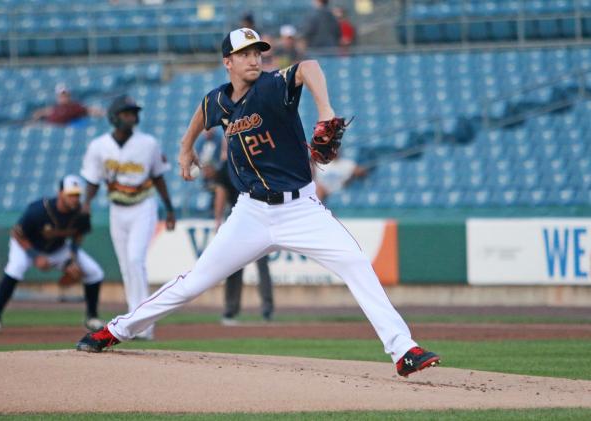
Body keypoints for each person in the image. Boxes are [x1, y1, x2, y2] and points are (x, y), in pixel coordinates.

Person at [76, 27, 440, 378]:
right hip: (250, 212)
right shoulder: (219, 99)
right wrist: (185, 148)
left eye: (256, 52)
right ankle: (114, 331)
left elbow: (309, 66)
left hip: (300, 208)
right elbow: (203, 111)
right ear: (227, 63)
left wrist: (325, 110)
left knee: (356, 262)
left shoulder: (272, 86)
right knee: (194, 282)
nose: (253, 59)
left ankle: (403, 349)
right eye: (244, 54)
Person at [80, 95, 176, 340]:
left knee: (135, 261)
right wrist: (86, 203)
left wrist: (169, 208)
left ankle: (145, 325)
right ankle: (135, 320)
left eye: (133, 113)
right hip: (117, 209)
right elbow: (92, 180)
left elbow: (158, 177)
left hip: (143, 206)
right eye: (126, 113)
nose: (131, 117)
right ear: (114, 116)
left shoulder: (148, 144)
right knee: (126, 266)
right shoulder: (99, 146)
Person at [0, 175, 104, 334]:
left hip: (58, 248)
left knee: (95, 272)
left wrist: (71, 259)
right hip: (27, 246)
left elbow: (78, 236)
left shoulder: (82, 213)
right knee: (15, 268)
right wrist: (35, 256)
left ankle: (92, 317)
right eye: (71, 194)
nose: (75, 198)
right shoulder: (39, 210)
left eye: (77, 194)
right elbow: (17, 233)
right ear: (60, 193)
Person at [213, 158, 273, 325]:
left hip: (242, 217)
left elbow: (221, 191)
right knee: (260, 266)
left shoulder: (228, 163)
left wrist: (217, 219)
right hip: (258, 215)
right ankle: (266, 309)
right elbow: (221, 190)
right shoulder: (258, 158)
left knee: (236, 265)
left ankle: (231, 310)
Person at [32, 83, 103, 126]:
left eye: (65, 95)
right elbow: (40, 113)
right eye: (61, 95)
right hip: (50, 127)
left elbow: (89, 110)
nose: (63, 97)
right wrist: (37, 115)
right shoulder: (54, 108)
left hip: (62, 130)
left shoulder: (74, 107)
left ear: (69, 95)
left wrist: (100, 112)